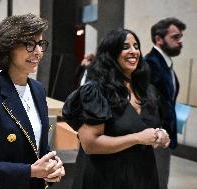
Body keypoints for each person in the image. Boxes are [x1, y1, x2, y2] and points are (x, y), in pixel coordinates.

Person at [0, 14, 65, 189]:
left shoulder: (38, 90)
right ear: (8, 47)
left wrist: (53, 164)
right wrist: (30, 172)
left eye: (40, 44)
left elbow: (37, 145)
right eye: (30, 44)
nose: (38, 52)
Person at [62, 29, 170, 189]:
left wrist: (161, 134)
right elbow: (90, 144)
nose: (133, 51)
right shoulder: (96, 91)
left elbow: (148, 127)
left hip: (142, 175)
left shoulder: (147, 91)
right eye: (126, 47)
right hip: (105, 177)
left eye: (136, 46)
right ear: (110, 53)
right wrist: (137, 138)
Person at [144, 17, 186, 189]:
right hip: (156, 137)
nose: (180, 41)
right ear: (159, 39)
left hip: (163, 136)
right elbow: (147, 106)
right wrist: (157, 133)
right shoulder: (151, 64)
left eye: (180, 37)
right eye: (175, 37)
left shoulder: (165, 64)